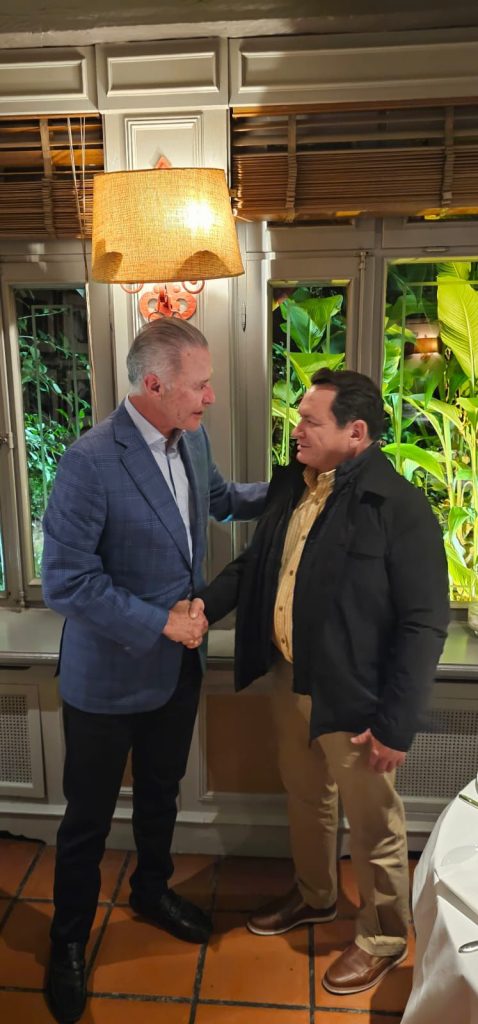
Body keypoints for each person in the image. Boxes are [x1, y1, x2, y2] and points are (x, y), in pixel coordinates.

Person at [41, 317, 267, 1024]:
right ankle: (68, 940)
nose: (210, 399)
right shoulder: (89, 461)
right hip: (106, 680)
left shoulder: (190, 437)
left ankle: (150, 890)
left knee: (161, 794)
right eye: (200, 386)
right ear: (154, 384)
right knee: (86, 820)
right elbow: (66, 583)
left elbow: (221, 500)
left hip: (176, 672)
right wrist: (160, 622)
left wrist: (300, 484)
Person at [196, 368, 449, 997]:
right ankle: (315, 896)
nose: (297, 431)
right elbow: (255, 564)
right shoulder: (293, 485)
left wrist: (395, 724)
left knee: (373, 822)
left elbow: (424, 623)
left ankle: (384, 937)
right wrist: (200, 609)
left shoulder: (398, 507)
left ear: (355, 432)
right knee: (306, 797)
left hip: (357, 696)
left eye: (310, 421)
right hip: (291, 678)